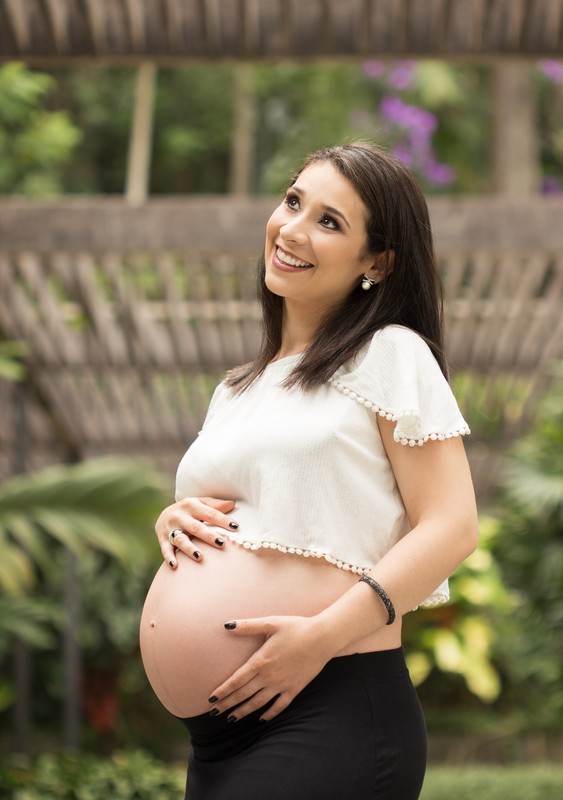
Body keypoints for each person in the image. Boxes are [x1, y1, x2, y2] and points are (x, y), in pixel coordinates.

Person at [138, 142, 478, 800]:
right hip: (220, 736)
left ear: (377, 262)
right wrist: (172, 517)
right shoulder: (238, 388)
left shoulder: (390, 354)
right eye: (294, 201)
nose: (292, 229)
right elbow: (253, 507)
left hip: (332, 706)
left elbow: (453, 526)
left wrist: (320, 638)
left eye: (330, 222)